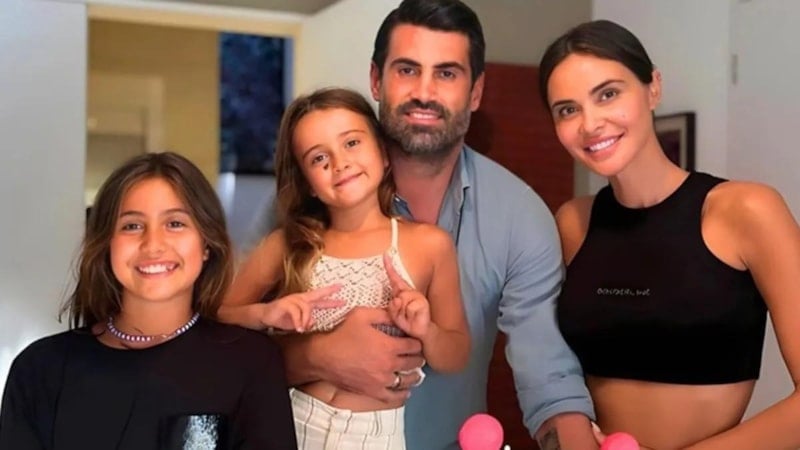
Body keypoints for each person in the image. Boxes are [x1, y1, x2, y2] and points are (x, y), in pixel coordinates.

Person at [269, 1, 598, 449]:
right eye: (407, 70)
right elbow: (225, 343)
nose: (424, 92)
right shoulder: (311, 197)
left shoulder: (520, 216)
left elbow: (547, 375)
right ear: (376, 79)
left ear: (476, 92)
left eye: (446, 73)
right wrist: (315, 355)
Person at [539, 19, 800, 450]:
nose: (590, 123)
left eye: (608, 94)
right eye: (567, 110)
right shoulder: (573, 223)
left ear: (653, 88)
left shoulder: (746, 211)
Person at [218, 87, 470, 449]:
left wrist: (426, 330)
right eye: (319, 158)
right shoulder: (287, 244)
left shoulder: (430, 245)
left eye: (351, 143)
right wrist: (265, 314)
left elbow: (457, 354)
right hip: (291, 424)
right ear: (307, 183)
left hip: (376, 437)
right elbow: (217, 317)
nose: (340, 163)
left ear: (383, 152)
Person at [0, 152, 297, 449]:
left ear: (206, 244)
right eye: (132, 226)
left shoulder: (251, 363)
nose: (153, 245)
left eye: (175, 223)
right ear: (106, 245)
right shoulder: (39, 369)